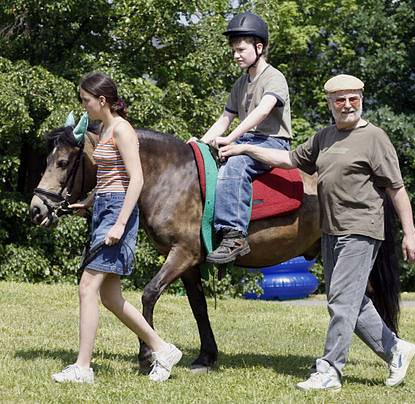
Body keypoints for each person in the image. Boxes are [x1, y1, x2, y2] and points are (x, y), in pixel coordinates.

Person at [219, 74, 415, 391]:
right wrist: (244, 148)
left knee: (341, 302)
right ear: (330, 104)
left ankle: (329, 371)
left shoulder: (375, 138)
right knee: (350, 300)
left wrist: (409, 232)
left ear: (361, 100)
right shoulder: (324, 137)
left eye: (353, 98)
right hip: (330, 229)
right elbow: (286, 159)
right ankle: (396, 349)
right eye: (339, 99)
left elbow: (396, 188)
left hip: (362, 227)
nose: (347, 105)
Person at [51, 72, 182, 384]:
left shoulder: (122, 130)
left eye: (85, 101)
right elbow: (111, 176)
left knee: (87, 287)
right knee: (110, 298)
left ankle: (83, 368)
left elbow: (136, 178)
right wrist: (89, 201)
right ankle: (163, 349)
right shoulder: (106, 128)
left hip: (117, 213)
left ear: (102, 100)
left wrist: (120, 224)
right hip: (105, 208)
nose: (83, 107)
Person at [195, 11, 292, 264]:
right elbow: (225, 118)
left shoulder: (274, 77)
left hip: (272, 142)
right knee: (204, 164)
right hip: (246, 139)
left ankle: (234, 235)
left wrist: (232, 141)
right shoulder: (240, 83)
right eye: (233, 51)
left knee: (235, 163)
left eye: (241, 49)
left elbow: (262, 111)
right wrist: (200, 144)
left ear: (259, 47)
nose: (235, 55)